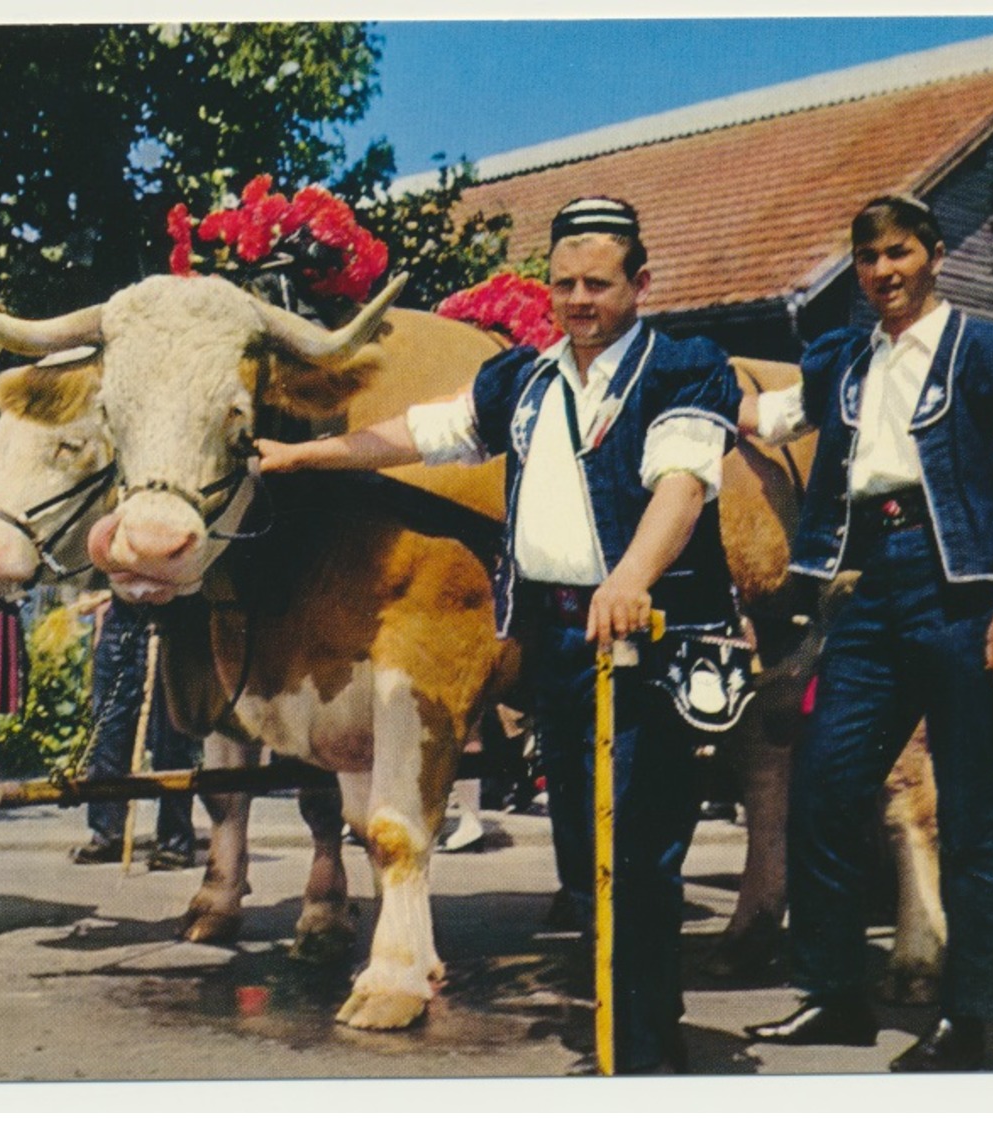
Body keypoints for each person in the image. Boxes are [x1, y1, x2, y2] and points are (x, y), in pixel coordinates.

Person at [258, 197, 744, 1074]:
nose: (577, 300)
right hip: (557, 640)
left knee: (635, 842)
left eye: (598, 283)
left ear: (640, 282)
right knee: (585, 846)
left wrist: (630, 577)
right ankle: (619, 1017)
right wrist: (302, 457)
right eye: (562, 284)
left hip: (644, 633)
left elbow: (682, 479)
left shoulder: (682, 368)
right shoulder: (522, 378)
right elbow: (420, 434)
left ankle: (642, 1045)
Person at [741, 195, 993, 1071]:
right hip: (867, 589)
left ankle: (973, 1022)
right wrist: (680, 378)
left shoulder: (990, 351)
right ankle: (835, 996)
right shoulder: (841, 359)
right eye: (866, 259)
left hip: (959, 586)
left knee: (968, 810)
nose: (882, 272)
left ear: (935, 252)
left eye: (897, 253)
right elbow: (762, 418)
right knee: (823, 787)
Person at [69, 593, 200, 871]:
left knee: (171, 737)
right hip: (122, 618)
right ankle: (107, 834)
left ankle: (174, 841)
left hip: (172, 619)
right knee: (108, 732)